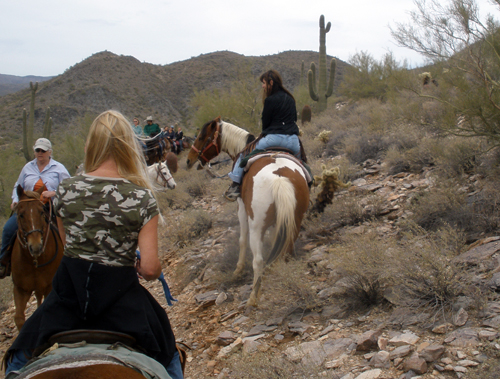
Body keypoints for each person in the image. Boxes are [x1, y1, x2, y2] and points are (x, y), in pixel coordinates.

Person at [4, 111, 183, 379]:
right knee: (170, 358)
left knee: (16, 358)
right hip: (122, 302)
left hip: (67, 300)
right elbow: (149, 269)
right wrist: (139, 264)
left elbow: (67, 246)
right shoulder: (142, 198)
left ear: (92, 146)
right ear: (127, 146)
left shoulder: (66, 191)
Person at [224, 70, 301, 201]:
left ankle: (235, 185)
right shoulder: (290, 98)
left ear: (271, 82)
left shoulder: (270, 100)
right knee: (302, 162)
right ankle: (309, 183)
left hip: (273, 139)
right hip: (293, 141)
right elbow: (294, 119)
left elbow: (265, 124)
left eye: (264, 83)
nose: (263, 86)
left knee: (243, 155)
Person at [0, 138, 70, 278]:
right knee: (8, 228)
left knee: (66, 231)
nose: (40, 153)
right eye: (38, 150)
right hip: (27, 208)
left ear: (49, 152)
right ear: (34, 151)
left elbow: (70, 189)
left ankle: (68, 263)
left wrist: (54, 193)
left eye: (43, 150)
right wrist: (15, 200)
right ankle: (3, 262)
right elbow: (17, 186)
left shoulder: (59, 169)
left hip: (48, 207)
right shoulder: (27, 168)